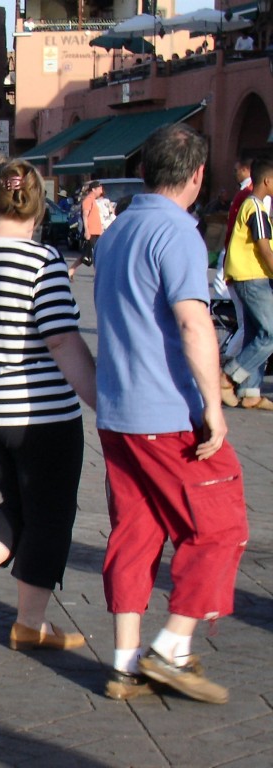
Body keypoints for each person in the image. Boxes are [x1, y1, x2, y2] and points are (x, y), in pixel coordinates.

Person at [94, 123, 249, 704]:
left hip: (119, 410)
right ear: (198, 175)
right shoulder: (178, 231)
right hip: (166, 411)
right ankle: (172, 646)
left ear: (143, 170)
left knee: (135, 531)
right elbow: (193, 322)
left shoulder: (116, 231)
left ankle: (124, 662)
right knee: (220, 525)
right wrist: (213, 404)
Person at [0, 159, 97, 651]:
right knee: (51, 513)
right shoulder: (43, 261)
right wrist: (101, 399)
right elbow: (61, 339)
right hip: (40, 413)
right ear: (39, 205)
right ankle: (30, 622)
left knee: (20, 506)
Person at [220, 156, 273, 411]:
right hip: (252, 277)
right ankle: (228, 377)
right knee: (270, 333)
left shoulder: (251, 205)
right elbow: (264, 249)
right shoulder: (256, 208)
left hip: (246, 276)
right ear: (267, 181)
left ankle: (250, 391)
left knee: (255, 333)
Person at [68, 180, 104, 279]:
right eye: (99, 189)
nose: (101, 191)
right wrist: (87, 231)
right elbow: (85, 216)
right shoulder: (88, 200)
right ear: (94, 189)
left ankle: (71, 271)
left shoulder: (93, 200)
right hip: (91, 231)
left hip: (96, 231)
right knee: (90, 254)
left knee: (90, 254)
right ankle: (97, 274)